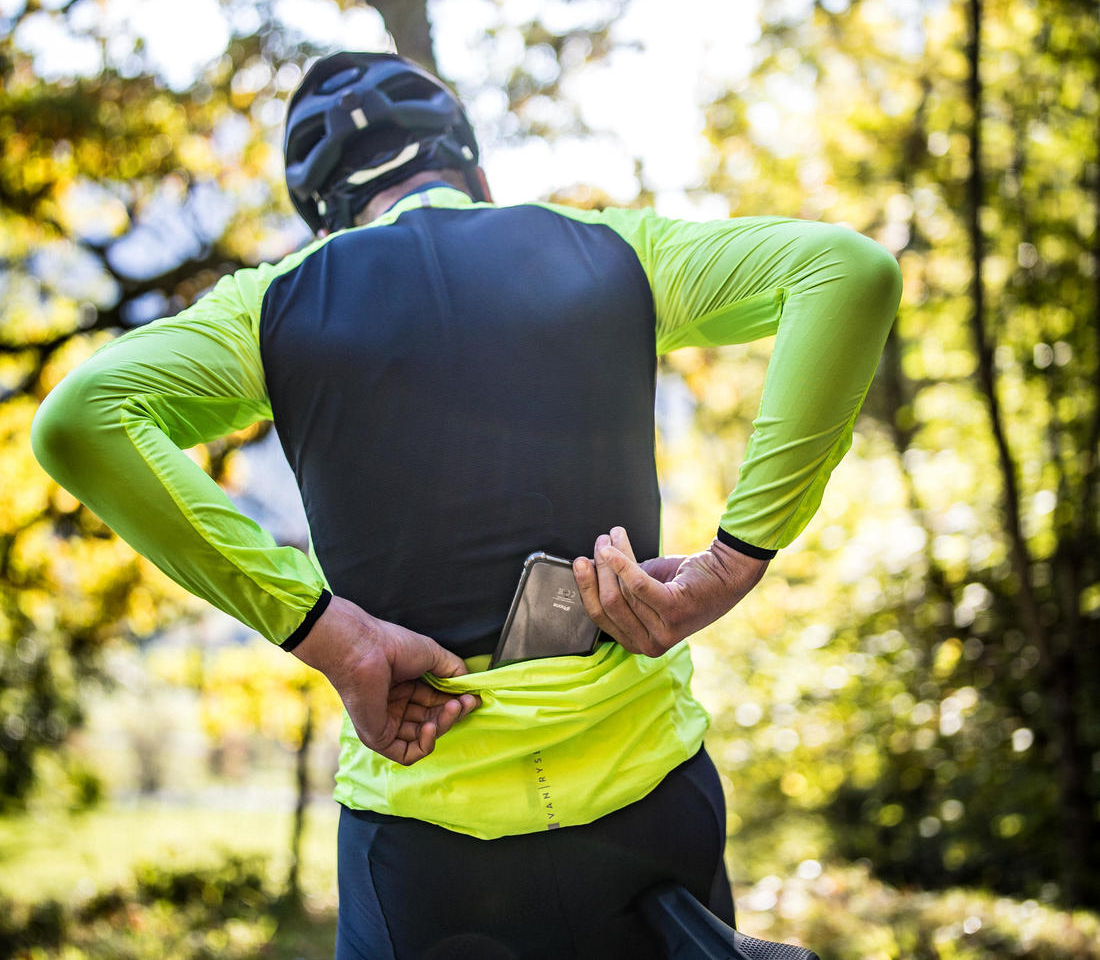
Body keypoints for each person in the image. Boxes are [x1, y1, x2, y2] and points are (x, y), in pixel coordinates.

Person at [31, 51, 902, 959]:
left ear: (326, 218)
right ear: (476, 173)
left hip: (425, 845)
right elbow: (849, 272)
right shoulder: (612, 246)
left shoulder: (275, 306)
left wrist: (336, 636)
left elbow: (80, 422)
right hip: (652, 802)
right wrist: (731, 565)